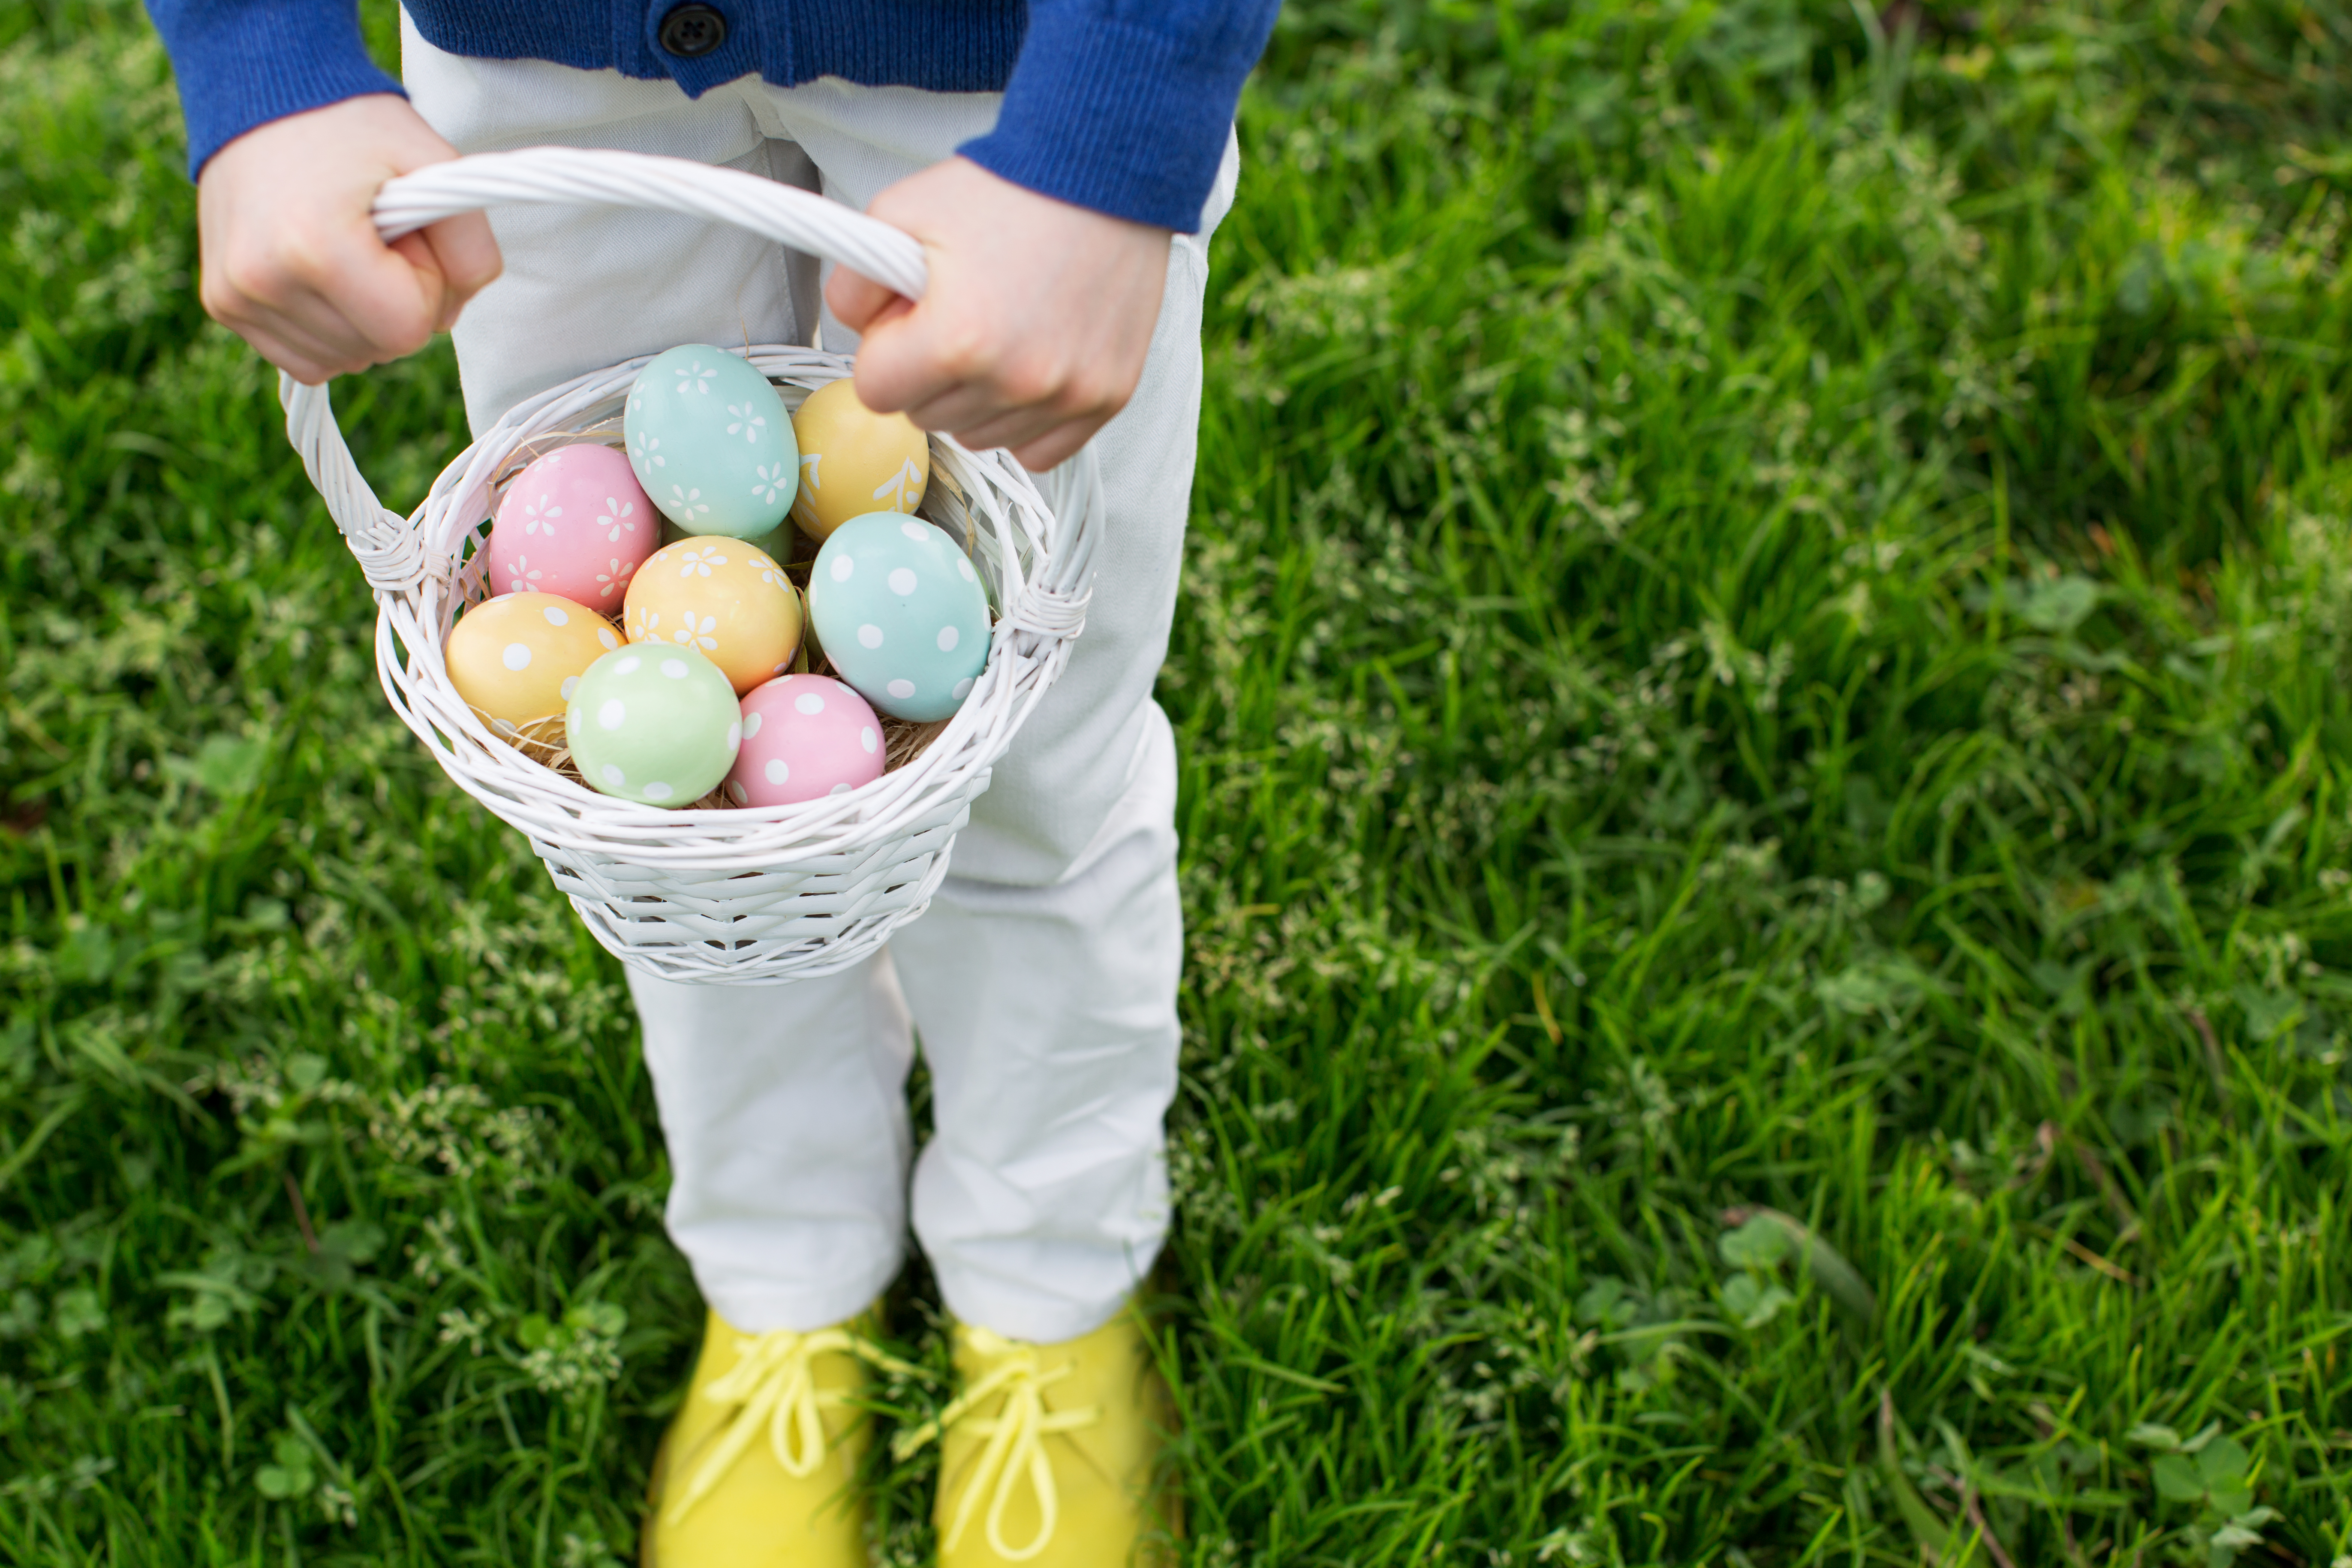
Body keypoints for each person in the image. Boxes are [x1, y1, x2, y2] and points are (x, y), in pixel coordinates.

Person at [140, 2, 1282, 1563]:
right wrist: (255, 54)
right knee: (671, 818)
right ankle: (785, 1262)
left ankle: (1050, 1280)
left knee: (1030, 757)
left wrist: (1114, 125)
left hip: (1019, 77)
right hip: (544, 50)